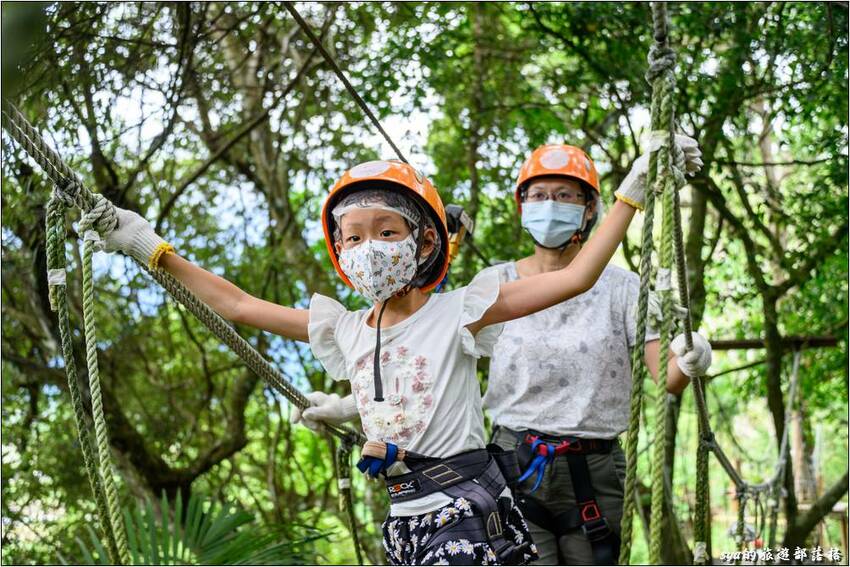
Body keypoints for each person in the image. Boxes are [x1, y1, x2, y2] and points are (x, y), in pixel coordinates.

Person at [102, 152, 668, 565]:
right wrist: (153, 250)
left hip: (468, 511)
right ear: (340, 253)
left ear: (423, 243)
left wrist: (629, 196)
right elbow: (240, 305)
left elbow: (575, 278)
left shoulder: (460, 312)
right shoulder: (345, 329)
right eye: (351, 238)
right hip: (404, 520)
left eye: (385, 232)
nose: (367, 248)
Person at [481, 142, 713, 565]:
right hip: (513, 460)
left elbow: (669, 379)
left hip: (594, 467)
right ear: (522, 207)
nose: (549, 205)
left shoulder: (622, 289)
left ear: (590, 210)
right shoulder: (494, 285)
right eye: (538, 195)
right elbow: (437, 353)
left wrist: (693, 357)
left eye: (565, 195)